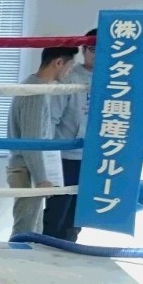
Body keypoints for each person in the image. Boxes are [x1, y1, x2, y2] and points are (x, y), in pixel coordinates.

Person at [6, 46, 78, 239]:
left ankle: (24, 258)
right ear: (58, 63)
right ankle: (17, 258)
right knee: (25, 229)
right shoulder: (35, 92)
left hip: (28, 168)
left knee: (33, 229)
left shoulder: (36, 87)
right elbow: (31, 141)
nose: (69, 72)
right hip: (26, 169)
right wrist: (40, 179)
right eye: (70, 66)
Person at [43, 32, 95, 241]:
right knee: (57, 212)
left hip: (95, 157)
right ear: (84, 50)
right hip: (65, 157)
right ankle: (45, 252)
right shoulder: (70, 77)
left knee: (78, 216)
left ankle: (68, 252)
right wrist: (48, 158)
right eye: (94, 49)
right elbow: (51, 120)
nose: (99, 55)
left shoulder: (116, 80)